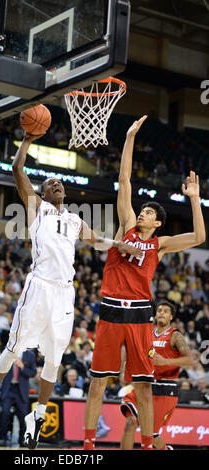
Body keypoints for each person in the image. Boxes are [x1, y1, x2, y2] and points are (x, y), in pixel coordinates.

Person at [0, 132, 141, 449]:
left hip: (65, 294)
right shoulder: (36, 207)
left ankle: (37, 417)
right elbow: (16, 170)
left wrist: (121, 244)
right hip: (39, 287)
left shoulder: (76, 219)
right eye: (51, 183)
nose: (56, 185)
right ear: (41, 192)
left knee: (54, 360)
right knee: (13, 349)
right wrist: (25, 141)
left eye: (59, 183)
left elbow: (98, 242)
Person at [83, 116, 206, 451]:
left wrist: (194, 198)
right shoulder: (126, 225)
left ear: (158, 222)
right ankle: (89, 445)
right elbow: (124, 180)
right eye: (142, 211)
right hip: (110, 310)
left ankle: (149, 447)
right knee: (98, 383)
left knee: (143, 388)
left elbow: (199, 236)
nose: (142, 214)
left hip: (139, 316)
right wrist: (129, 138)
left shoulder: (161, 244)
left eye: (149, 213)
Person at [120, 300, 193, 450]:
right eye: (159, 310)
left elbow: (190, 359)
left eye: (166, 311)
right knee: (130, 423)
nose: (161, 313)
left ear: (171, 317)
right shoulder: (147, 334)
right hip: (145, 385)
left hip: (164, 389)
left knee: (151, 435)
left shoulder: (175, 335)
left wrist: (165, 361)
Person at [0, 350, 37, 446]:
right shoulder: (8, 351)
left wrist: (22, 366)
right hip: (8, 388)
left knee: (23, 415)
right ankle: (2, 437)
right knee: (4, 412)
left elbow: (33, 372)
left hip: (21, 390)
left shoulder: (30, 354)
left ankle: (22, 439)